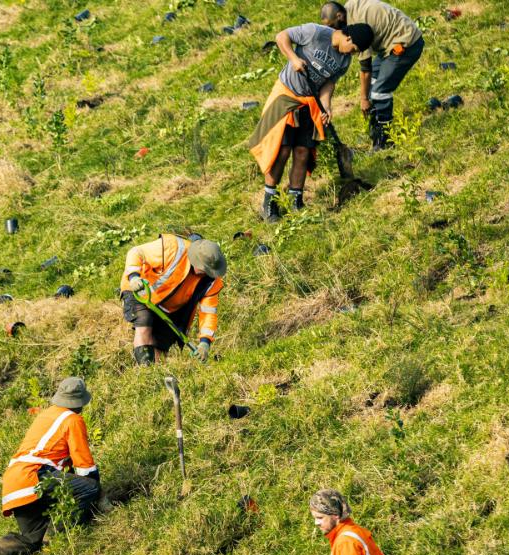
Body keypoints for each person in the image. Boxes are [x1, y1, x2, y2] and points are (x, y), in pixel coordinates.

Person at [0, 378, 105, 555]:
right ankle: (55, 541)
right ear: (80, 402)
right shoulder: (73, 419)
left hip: (13, 482)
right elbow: (85, 467)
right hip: (34, 475)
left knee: (32, 537)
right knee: (89, 488)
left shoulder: (47, 415)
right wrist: (97, 491)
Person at [248, 21, 374, 220]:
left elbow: (328, 84)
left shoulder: (344, 61)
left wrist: (326, 106)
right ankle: (269, 202)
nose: (351, 53)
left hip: (310, 103)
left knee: (302, 151)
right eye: (354, 49)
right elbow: (282, 36)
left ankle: (295, 200)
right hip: (287, 95)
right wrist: (294, 58)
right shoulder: (315, 33)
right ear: (348, 38)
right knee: (281, 150)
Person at [321, 0, 424, 150]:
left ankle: (385, 139)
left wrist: (364, 99)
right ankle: (375, 130)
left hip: (405, 43)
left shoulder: (358, 28)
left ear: (339, 16)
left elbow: (365, 69)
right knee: (370, 88)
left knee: (379, 92)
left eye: (331, 26)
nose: (331, 31)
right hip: (387, 46)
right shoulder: (348, 11)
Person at [119, 233, 226, 365]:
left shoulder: (211, 282)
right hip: (140, 291)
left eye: (207, 270)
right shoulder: (173, 248)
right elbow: (136, 252)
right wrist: (134, 277)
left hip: (170, 307)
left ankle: (152, 377)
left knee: (162, 343)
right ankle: (145, 371)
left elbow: (209, 313)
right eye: (202, 268)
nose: (204, 273)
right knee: (144, 322)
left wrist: (205, 343)